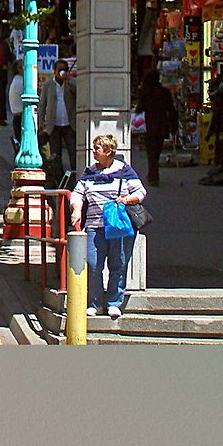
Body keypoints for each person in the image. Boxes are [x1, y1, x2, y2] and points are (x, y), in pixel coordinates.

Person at [69, 134, 146, 319]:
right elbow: (77, 193)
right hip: (94, 226)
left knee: (118, 264)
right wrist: (76, 210)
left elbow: (141, 192)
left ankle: (114, 303)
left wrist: (126, 199)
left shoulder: (124, 171)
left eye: (97, 148)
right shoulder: (89, 172)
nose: (93, 151)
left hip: (118, 226)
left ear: (109, 152)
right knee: (94, 265)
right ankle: (94, 303)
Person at [136, 68, 177, 185]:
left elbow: (140, 108)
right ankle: (153, 174)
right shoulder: (164, 92)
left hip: (149, 125)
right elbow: (171, 109)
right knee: (157, 150)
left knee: (151, 152)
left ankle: (153, 175)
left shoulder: (145, 92)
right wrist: (174, 127)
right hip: (162, 124)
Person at [39, 60, 77, 178]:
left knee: (73, 151)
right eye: (60, 70)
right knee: (56, 154)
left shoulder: (71, 84)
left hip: (69, 124)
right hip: (53, 126)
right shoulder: (48, 85)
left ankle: (75, 175)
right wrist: (41, 124)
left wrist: (68, 82)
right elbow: (42, 105)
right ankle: (59, 178)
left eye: (65, 69)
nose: (62, 72)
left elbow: (79, 94)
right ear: (54, 71)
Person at [8, 60, 24, 153]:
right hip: (21, 117)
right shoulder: (20, 82)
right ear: (19, 69)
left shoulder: (17, 80)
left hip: (18, 116)